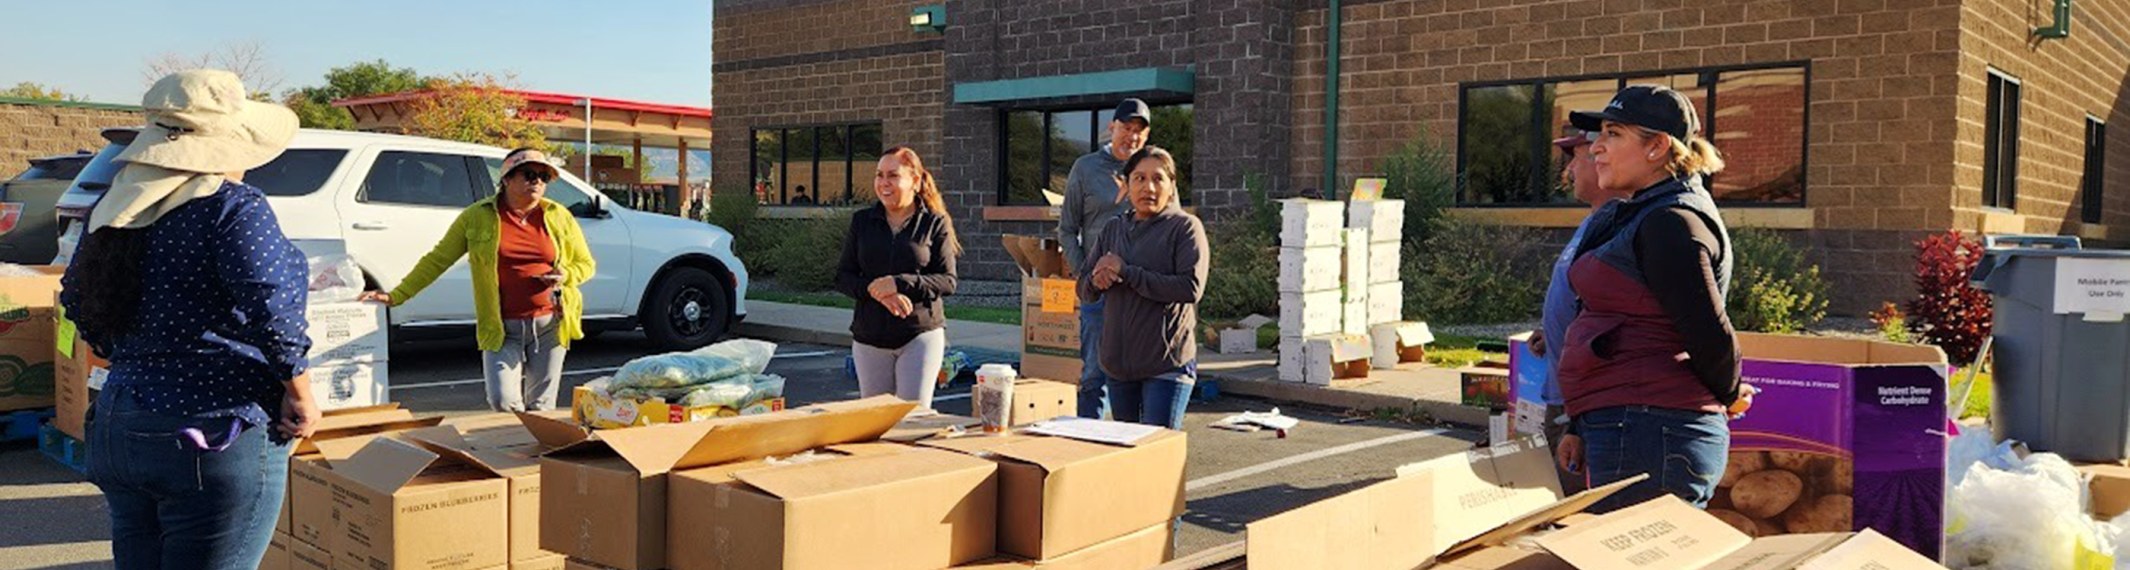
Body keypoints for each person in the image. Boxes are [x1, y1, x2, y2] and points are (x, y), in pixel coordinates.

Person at [63, 69, 319, 570]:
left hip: (121, 422)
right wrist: (301, 393)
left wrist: (128, 356)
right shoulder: (232, 207)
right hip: (212, 428)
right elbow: (270, 308)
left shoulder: (113, 206)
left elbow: (76, 299)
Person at [1552, 85, 1751, 513]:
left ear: (1657, 147)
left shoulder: (1672, 222)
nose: (1596, 148)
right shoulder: (1641, 211)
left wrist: (1729, 391)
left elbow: (1706, 329)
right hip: (1634, 424)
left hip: (1653, 431)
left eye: (1613, 134)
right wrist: (1581, 425)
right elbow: (1614, 322)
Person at [359, 148, 595, 412]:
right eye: (529, 174)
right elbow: (437, 260)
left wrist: (565, 275)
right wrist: (396, 295)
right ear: (506, 178)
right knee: (503, 401)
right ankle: (513, 446)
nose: (537, 181)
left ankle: (534, 451)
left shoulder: (558, 215)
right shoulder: (477, 216)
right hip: (500, 327)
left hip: (552, 322)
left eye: (543, 177)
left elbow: (586, 265)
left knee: (542, 405)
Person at [1529, 127, 1631, 495]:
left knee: (1575, 518)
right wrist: (1551, 331)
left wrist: (1579, 421)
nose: (1568, 170)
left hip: (1580, 410)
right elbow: (1581, 299)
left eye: (1575, 156)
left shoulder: (1619, 224)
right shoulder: (1595, 221)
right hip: (1565, 400)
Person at [1076, 147, 1206, 429]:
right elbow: (1083, 288)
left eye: (1158, 179)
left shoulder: (1185, 228)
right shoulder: (1113, 229)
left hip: (1166, 366)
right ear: (1127, 185)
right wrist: (1096, 282)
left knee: (1156, 458)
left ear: (1172, 186)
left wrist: (1128, 273)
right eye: (1139, 178)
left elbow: (1190, 287)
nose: (1148, 187)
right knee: (1128, 459)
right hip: (1118, 367)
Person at [836, 146, 960, 409]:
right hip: (869, 337)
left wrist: (899, 283)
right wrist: (875, 289)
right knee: (874, 423)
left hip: (919, 335)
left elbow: (947, 281)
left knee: (911, 421)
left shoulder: (934, 223)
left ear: (915, 181)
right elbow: (843, 277)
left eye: (893, 175)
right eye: (879, 175)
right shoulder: (862, 222)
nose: (884, 183)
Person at [1059, 98, 1152, 419]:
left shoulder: (1153, 171)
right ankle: (1089, 442)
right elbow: (1067, 229)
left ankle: (1129, 445)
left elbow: (1172, 222)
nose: (1132, 136)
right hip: (1099, 292)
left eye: (1139, 131)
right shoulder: (1085, 168)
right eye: (1126, 128)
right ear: (1112, 127)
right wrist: (1083, 273)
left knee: (1139, 372)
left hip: (1141, 290)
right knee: (1094, 375)